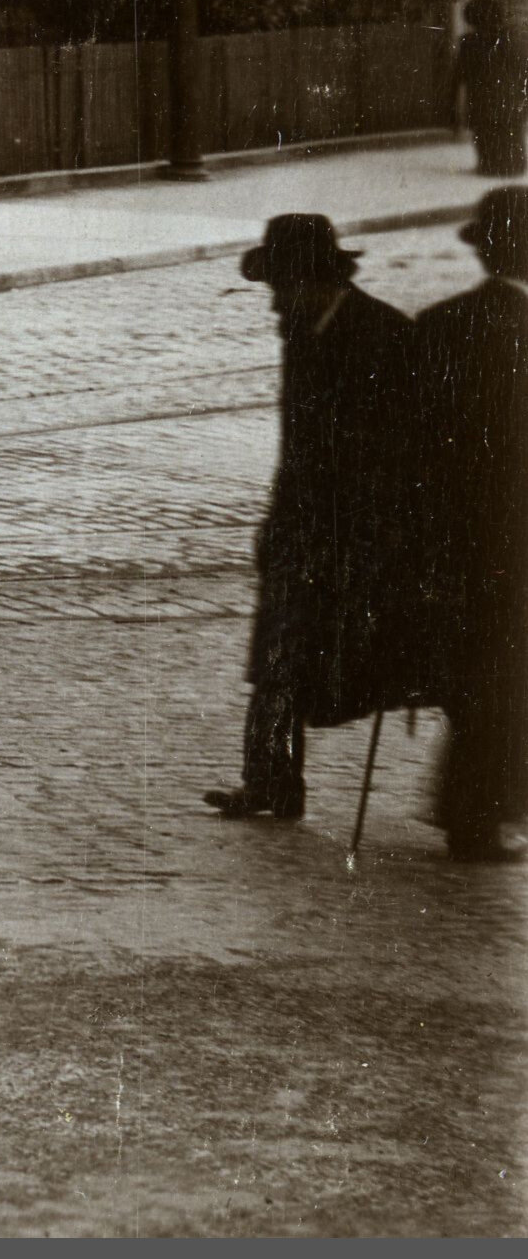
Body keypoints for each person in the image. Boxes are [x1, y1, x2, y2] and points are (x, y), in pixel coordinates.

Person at [206, 213, 435, 821]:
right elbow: (298, 446)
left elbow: (407, 451)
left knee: (370, 657)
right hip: (301, 527)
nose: (273, 302)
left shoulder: (386, 335)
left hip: (361, 531)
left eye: (281, 286)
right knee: (276, 656)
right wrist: (276, 522)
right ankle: (271, 783)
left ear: (313, 279)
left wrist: (384, 531)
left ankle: (473, 795)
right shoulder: (301, 330)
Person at [420, 187, 528, 861]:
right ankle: (479, 818)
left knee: (477, 677)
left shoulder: (441, 322)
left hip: (452, 537)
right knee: (504, 678)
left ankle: (475, 811)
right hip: (513, 540)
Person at [467, 0, 526, 182]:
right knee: (510, 132)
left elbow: (462, 73)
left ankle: (489, 165)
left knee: (486, 132)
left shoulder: (470, 42)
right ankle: (514, 165)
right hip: (510, 96)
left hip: (483, 98)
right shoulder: (513, 38)